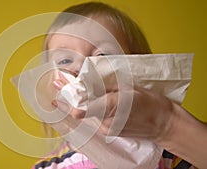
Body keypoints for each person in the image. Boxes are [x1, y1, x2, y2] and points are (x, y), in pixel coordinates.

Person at [32, 2, 207, 169]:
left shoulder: (174, 152)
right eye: (64, 60)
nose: (81, 67)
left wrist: (167, 125)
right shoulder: (49, 166)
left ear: (139, 68)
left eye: (102, 56)